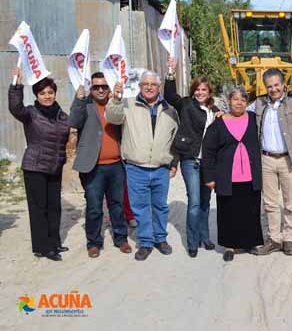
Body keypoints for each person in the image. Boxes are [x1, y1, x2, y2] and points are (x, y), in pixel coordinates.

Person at [106, 70, 179, 261]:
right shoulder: (128, 105)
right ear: (139, 86)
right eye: (145, 84)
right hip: (136, 167)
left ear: (159, 86)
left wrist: (173, 161)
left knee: (160, 206)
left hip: (160, 168)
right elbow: (112, 117)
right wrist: (115, 98)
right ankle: (146, 242)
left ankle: (160, 239)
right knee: (140, 207)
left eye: (153, 84)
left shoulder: (170, 110)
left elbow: (175, 139)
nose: (148, 87)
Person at [250, 57, 292, 256]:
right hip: (266, 160)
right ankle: (274, 239)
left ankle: (288, 238)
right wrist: (222, 114)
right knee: (270, 203)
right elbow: (240, 112)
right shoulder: (259, 103)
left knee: (290, 202)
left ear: (284, 84)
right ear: (265, 87)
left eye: (276, 85)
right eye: (269, 86)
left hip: (290, 160)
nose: (273, 89)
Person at [8, 68, 70, 261]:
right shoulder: (30, 113)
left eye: (50, 92)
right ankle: (43, 247)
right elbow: (15, 108)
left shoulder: (62, 116)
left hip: (55, 167)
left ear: (55, 94)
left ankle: (54, 242)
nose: (47, 96)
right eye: (42, 93)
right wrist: (15, 85)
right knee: (39, 208)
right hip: (35, 167)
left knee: (54, 207)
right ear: (36, 95)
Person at [69, 72, 131, 258]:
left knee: (117, 205)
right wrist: (78, 100)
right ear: (91, 88)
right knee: (94, 206)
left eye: (104, 86)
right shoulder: (84, 103)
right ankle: (94, 242)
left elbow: (123, 122)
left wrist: (118, 98)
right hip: (93, 166)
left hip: (116, 166)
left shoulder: (116, 103)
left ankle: (121, 238)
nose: (101, 90)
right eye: (96, 87)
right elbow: (73, 122)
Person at [164, 58, 219, 258]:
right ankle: (193, 241)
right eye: (197, 89)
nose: (200, 93)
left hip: (208, 163)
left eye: (203, 90)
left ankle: (205, 237)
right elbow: (170, 95)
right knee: (194, 201)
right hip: (190, 161)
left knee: (205, 201)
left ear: (209, 92)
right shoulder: (186, 105)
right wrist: (170, 71)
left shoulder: (214, 111)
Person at [201, 87, 264, 262]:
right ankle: (229, 245)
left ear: (247, 103)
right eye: (235, 99)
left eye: (243, 100)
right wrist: (209, 177)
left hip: (250, 176)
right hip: (227, 177)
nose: (239, 102)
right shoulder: (218, 123)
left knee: (250, 211)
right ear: (229, 101)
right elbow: (208, 152)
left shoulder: (253, 119)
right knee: (228, 213)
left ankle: (250, 242)